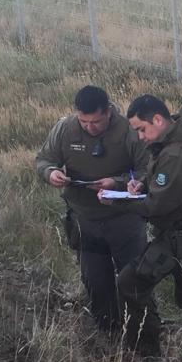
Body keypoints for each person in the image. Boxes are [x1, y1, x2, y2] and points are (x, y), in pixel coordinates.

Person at [99, 95, 182, 357]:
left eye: (142, 129)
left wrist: (117, 201)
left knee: (132, 284)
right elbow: (163, 179)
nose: (140, 137)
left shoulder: (176, 153)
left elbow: (155, 206)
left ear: (158, 119)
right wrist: (140, 182)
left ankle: (148, 353)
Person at [35, 85, 149, 334]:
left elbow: (147, 170)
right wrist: (51, 173)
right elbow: (43, 159)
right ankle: (108, 335)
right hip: (84, 220)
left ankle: (143, 339)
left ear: (108, 112)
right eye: (84, 121)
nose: (90, 127)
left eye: (96, 121)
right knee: (96, 283)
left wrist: (117, 183)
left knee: (136, 281)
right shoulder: (65, 128)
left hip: (124, 219)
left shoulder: (129, 130)